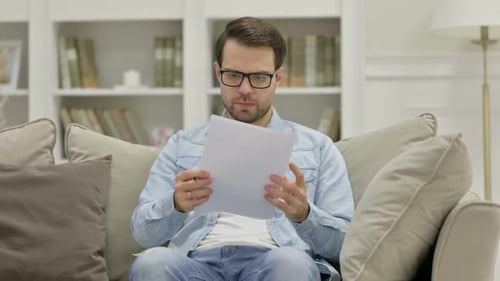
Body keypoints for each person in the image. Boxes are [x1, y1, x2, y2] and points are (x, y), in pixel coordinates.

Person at [130, 16, 354, 281]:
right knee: (152, 262)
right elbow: (142, 233)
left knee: (292, 263)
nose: (245, 90)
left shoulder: (317, 147)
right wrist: (175, 205)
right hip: (195, 265)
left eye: (259, 77)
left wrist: (305, 215)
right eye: (234, 75)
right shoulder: (182, 144)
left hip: (276, 260)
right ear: (218, 73)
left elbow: (347, 245)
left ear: (278, 77)